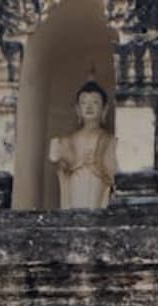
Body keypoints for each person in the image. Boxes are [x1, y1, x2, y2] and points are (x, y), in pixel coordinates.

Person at [49, 80, 115, 209]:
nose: (89, 107)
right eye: (84, 103)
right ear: (78, 109)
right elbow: (62, 165)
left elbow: (114, 173)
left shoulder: (109, 140)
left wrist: (99, 166)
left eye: (95, 102)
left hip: (98, 184)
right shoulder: (69, 140)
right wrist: (65, 160)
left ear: (104, 109)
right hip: (76, 183)